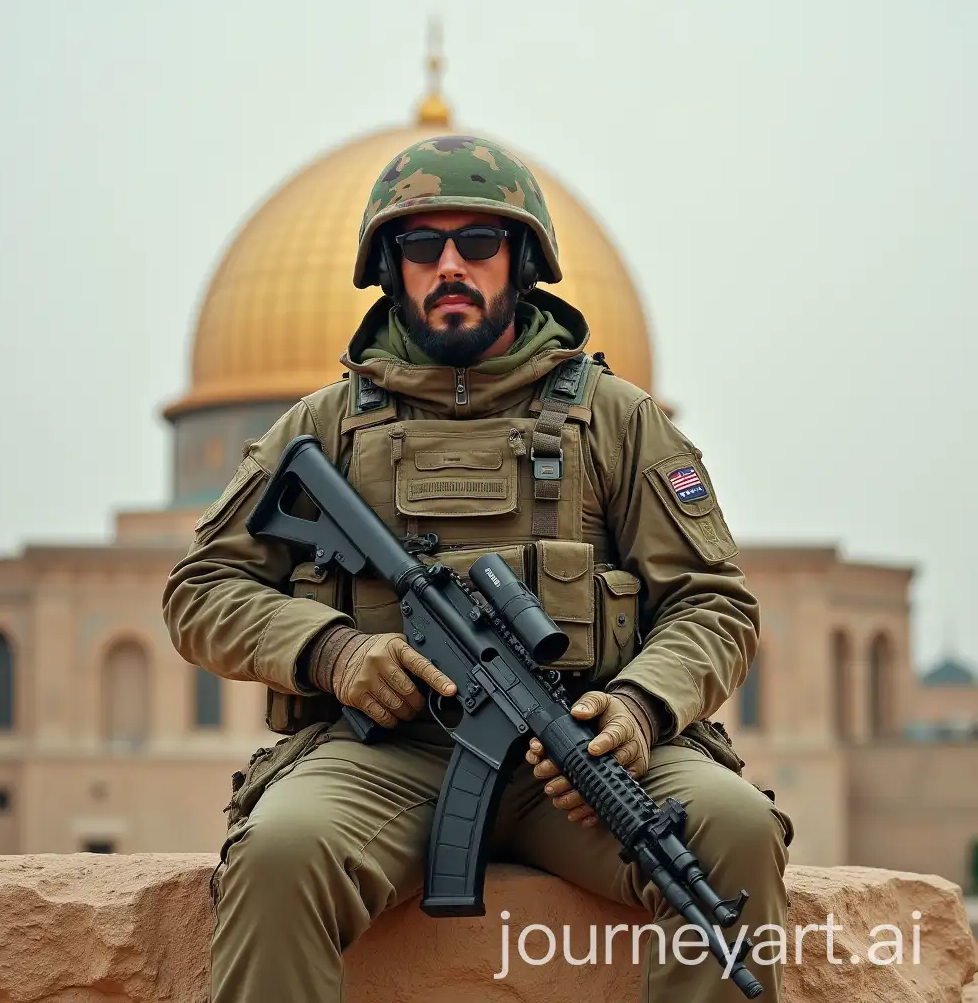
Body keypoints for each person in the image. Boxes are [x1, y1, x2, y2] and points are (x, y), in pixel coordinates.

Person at [162, 134, 794, 1002]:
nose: (449, 266)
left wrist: (641, 707)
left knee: (733, 830)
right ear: (391, 266)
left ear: (522, 261)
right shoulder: (327, 427)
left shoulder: (613, 419)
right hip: (386, 759)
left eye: (478, 244)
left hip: (576, 757)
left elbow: (714, 604)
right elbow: (202, 589)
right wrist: (334, 653)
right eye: (423, 246)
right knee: (277, 854)